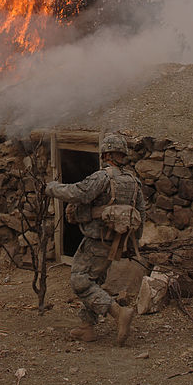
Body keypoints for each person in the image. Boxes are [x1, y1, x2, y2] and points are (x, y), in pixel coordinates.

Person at [45, 133, 145, 346]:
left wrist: (52, 187)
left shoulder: (103, 177)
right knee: (95, 281)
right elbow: (141, 215)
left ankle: (118, 313)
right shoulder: (134, 182)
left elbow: (78, 193)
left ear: (106, 154)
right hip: (117, 241)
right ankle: (86, 328)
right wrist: (131, 244)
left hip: (96, 240)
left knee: (79, 280)